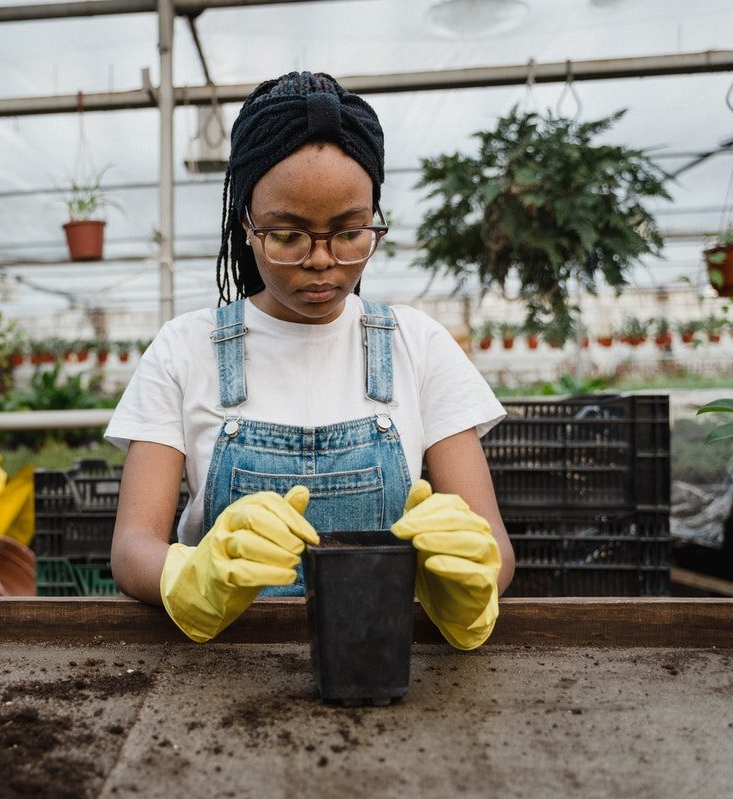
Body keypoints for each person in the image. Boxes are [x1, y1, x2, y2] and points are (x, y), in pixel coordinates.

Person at [106, 71, 515, 650]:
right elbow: (132, 546)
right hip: (227, 672)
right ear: (244, 224)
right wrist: (189, 575)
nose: (322, 261)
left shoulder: (416, 344)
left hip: (381, 660)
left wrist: (467, 580)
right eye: (287, 234)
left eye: (350, 232)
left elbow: (494, 546)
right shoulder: (184, 349)